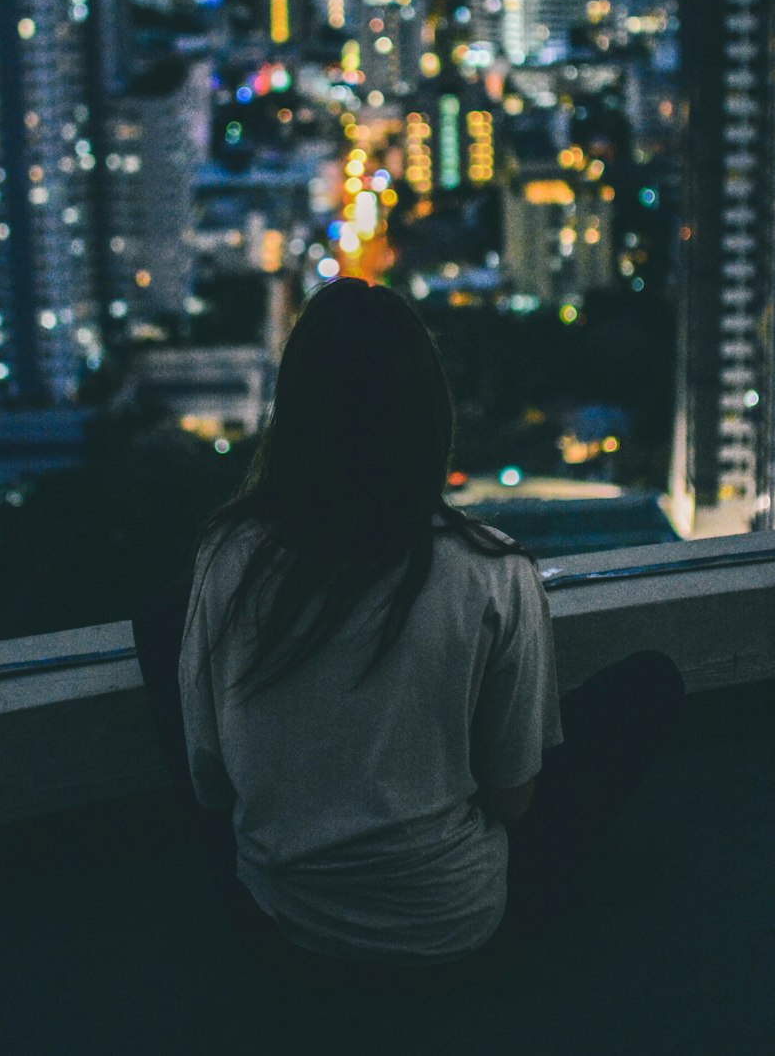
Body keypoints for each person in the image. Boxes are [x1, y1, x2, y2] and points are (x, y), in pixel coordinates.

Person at [176, 278, 684, 995]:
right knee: (647, 687)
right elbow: (512, 800)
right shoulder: (490, 571)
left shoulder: (229, 555)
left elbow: (210, 777)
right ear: (427, 412)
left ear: (295, 413)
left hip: (281, 929)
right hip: (455, 931)